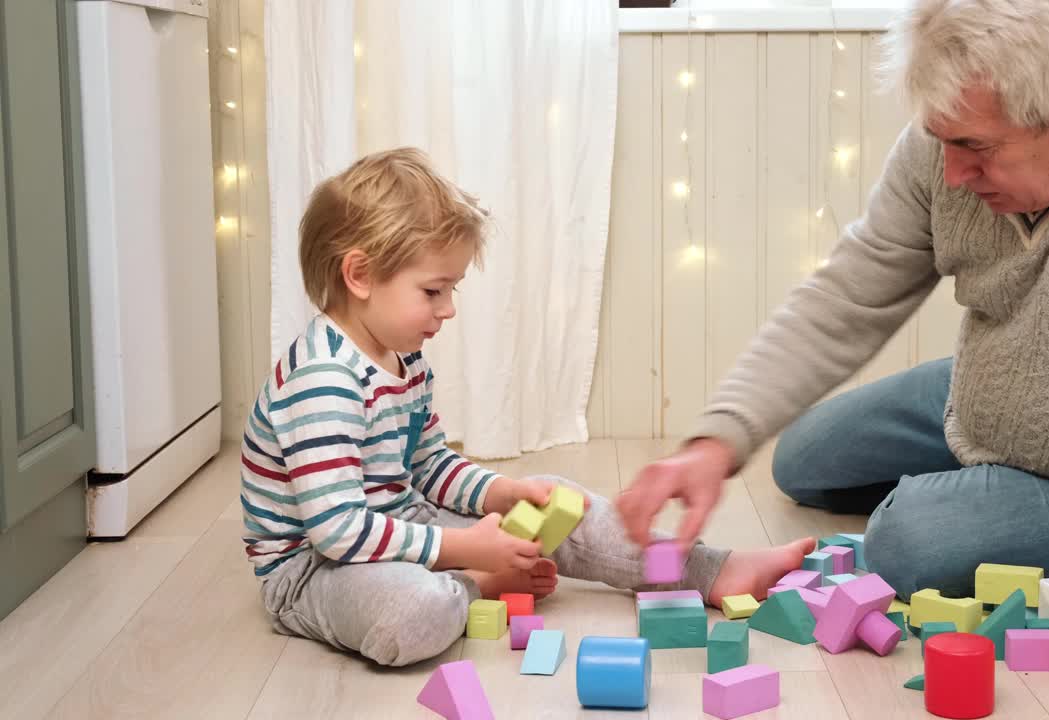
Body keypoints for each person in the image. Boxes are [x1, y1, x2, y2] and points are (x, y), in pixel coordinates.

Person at [618, 0, 1049, 699]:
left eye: (977, 149)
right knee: (804, 456)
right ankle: (988, 471)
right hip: (996, 397)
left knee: (909, 542)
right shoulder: (954, 133)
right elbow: (849, 292)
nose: (954, 174)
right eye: (943, 142)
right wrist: (714, 443)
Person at [238, 147, 811, 667]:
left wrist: (502, 493)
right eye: (433, 291)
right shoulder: (321, 382)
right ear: (360, 275)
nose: (448, 310)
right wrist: (468, 556)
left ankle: (709, 570)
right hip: (317, 569)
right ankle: (478, 584)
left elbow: (429, 468)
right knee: (411, 615)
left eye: (451, 291)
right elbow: (337, 530)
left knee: (562, 500)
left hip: (402, 528)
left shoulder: (403, 361)